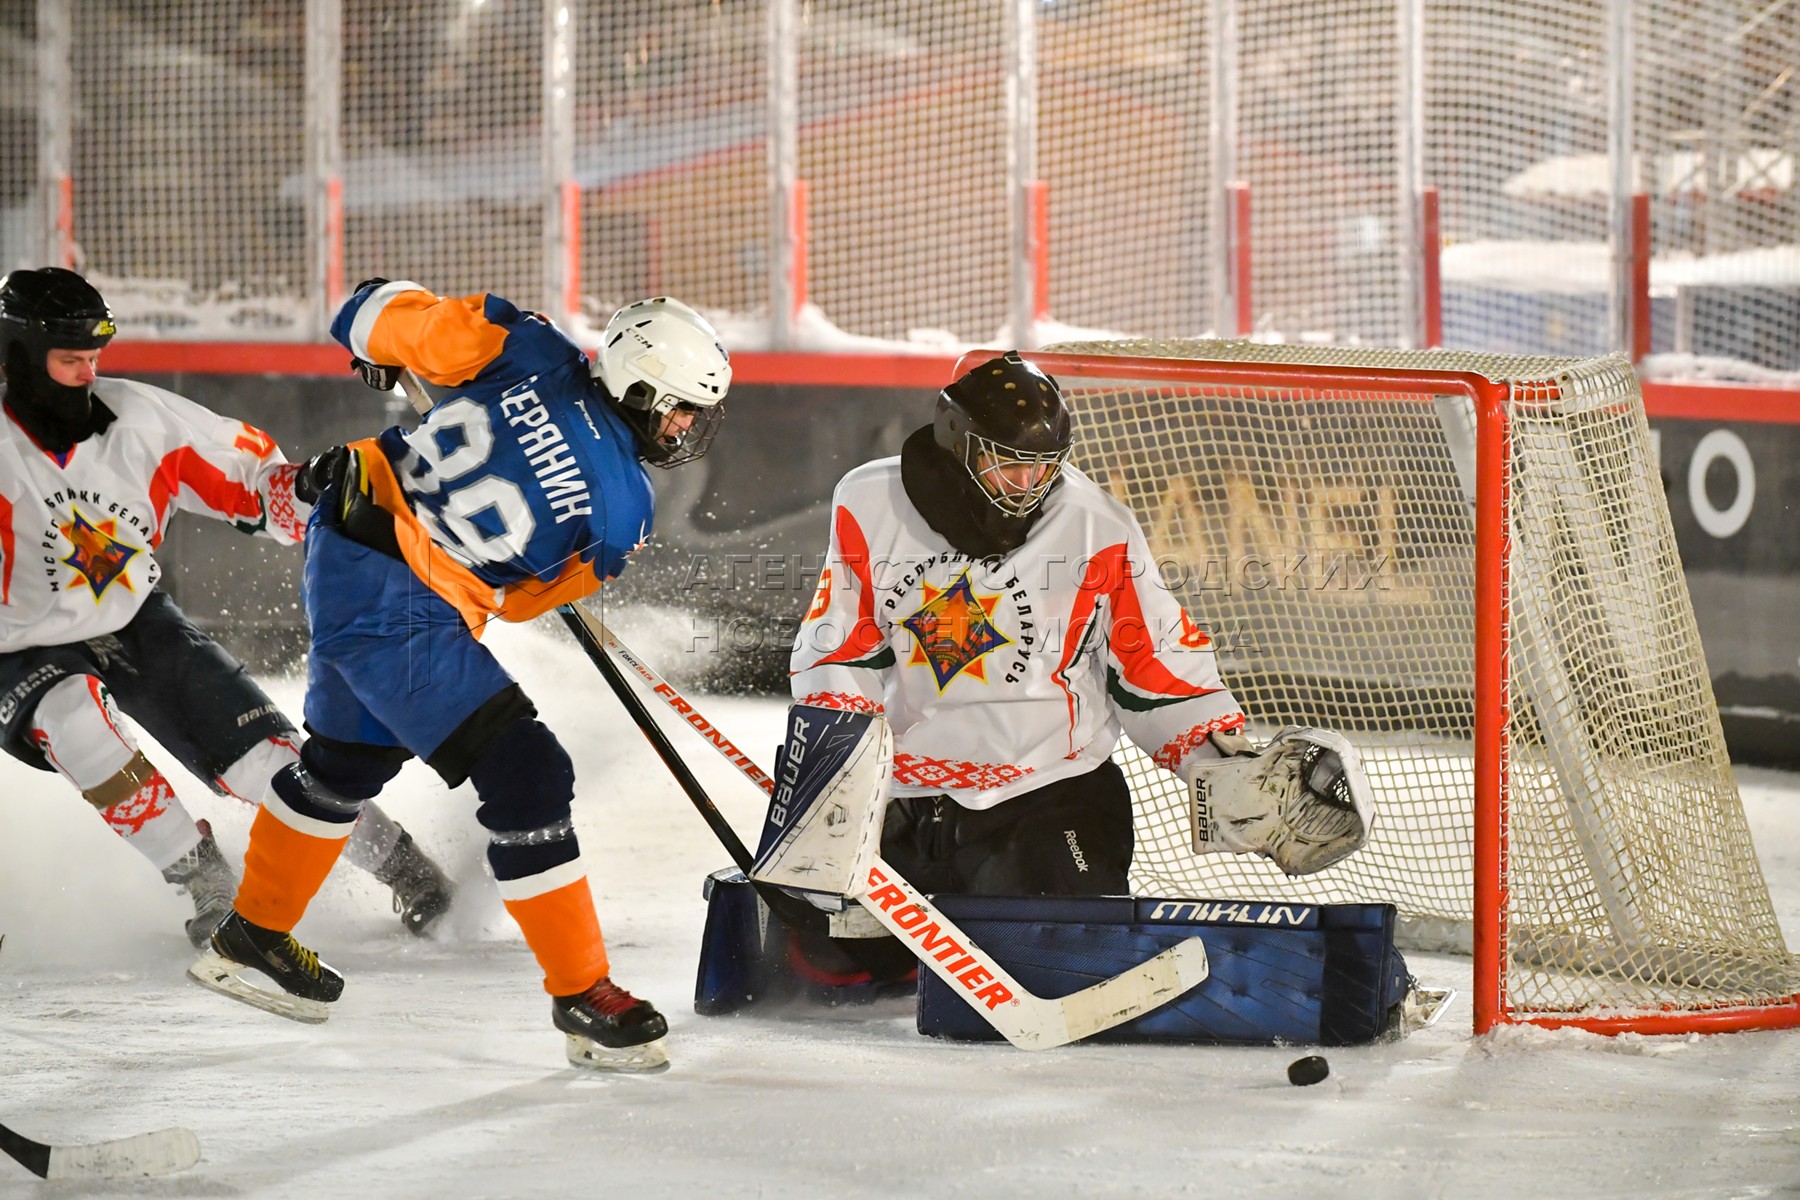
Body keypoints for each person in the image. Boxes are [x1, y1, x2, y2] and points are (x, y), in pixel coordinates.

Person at [189, 280, 730, 1073]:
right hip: (396, 598)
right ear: (640, 386)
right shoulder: (624, 513)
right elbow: (515, 603)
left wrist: (379, 351)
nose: (684, 427)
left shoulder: (528, 344)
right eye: (680, 407)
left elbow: (369, 310)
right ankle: (583, 993)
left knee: (347, 764)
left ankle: (250, 941)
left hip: (352, 529)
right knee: (530, 774)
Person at [783, 352, 1370, 980]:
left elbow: (1153, 658)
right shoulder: (871, 501)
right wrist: (835, 775)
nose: (1029, 485)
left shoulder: (1095, 526)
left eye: (1044, 467)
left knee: (1063, 958)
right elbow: (840, 645)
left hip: (1046, 797)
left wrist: (1216, 759)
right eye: (1010, 465)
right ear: (959, 444)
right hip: (906, 798)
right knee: (827, 963)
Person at [0, 267, 454, 948]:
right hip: (18, 647)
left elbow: (257, 486)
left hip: (135, 618)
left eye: (95, 358)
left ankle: (403, 865)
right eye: (70, 361)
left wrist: (314, 485)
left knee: (268, 765)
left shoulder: (142, 420)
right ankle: (206, 884)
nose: (87, 377)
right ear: (17, 358)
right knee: (74, 719)